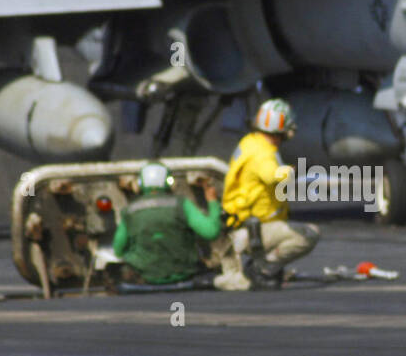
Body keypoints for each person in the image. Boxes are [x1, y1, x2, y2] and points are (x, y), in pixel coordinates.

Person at [218, 98, 319, 290]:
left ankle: (261, 264)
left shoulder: (250, 143)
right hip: (251, 231)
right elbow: (271, 176)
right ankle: (263, 267)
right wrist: (293, 171)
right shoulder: (262, 154)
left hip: (240, 226)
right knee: (309, 234)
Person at [112, 161, 223, 286]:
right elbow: (211, 232)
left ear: (140, 184)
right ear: (170, 182)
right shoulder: (181, 204)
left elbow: (118, 250)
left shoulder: (129, 211)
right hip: (183, 274)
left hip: (144, 277)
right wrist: (213, 202)